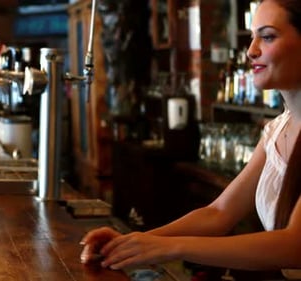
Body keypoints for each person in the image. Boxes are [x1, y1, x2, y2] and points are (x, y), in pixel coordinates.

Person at [80, 0, 301, 279]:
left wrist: (170, 247)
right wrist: (131, 242)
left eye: (267, 37)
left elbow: (295, 245)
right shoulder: (278, 130)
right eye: (253, 35)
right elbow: (219, 213)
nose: (251, 50)